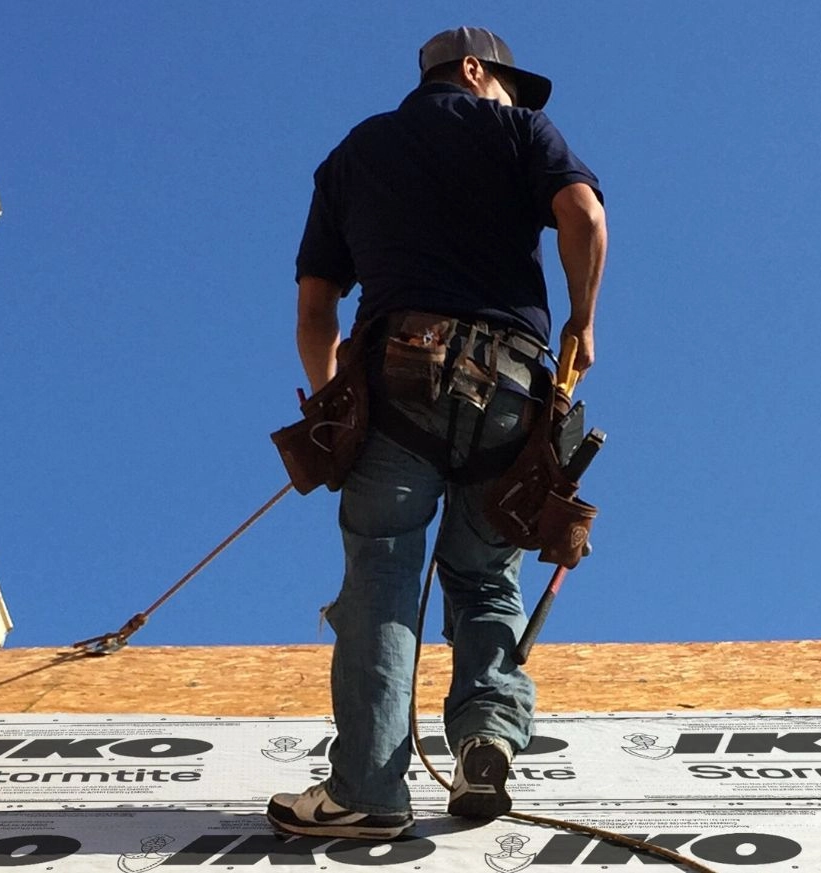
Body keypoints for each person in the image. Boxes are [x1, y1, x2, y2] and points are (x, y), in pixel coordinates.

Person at [267, 26, 608, 841]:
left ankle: (366, 792)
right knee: (486, 579)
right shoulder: (520, 133)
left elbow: (316, 309)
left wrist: (330, 403)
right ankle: (485, 739)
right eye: (506, 84)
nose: (512, 100)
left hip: (397, 384)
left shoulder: (355, 153)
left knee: (382, 577)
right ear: (469, 69)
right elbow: (583, 217)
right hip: (516, 390)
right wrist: (582, 324)